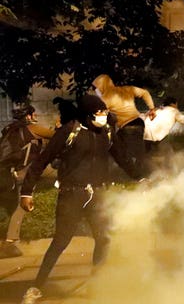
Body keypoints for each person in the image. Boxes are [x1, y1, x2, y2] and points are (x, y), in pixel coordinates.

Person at [19, 95, 143, 304]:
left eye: (105, 112)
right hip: (72, 195)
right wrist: (26, 192)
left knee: (103, 238)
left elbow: (121, 157)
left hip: (97, 194)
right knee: (61, 242)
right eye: (99, 113)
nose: (103, 116)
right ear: (88, 114)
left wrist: (140, 176)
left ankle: (97, 284)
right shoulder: (70, 131)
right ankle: (36, 288)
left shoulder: (107, 132)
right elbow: (42, 161)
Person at [0, 104, 54, 258]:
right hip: (29, 171)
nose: (35, 115)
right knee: (21, 206)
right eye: (33, 113)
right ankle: (9, 242)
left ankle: (9, 241)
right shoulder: (33, 128)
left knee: (17, 205)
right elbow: (57, 137)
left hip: (15, 171)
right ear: (28, 116)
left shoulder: (9, 129)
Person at [92, 74, 156, 175]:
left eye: (96, 88)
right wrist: (152, 109)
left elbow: (98, 114)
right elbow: (145, 93)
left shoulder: (105, 99)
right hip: (139, 122)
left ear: (101, 86)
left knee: (118, 150)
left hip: (127, 127)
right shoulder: (126, 89)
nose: (96, 90)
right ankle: (142, 172)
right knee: (138, 151)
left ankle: (137, 175)